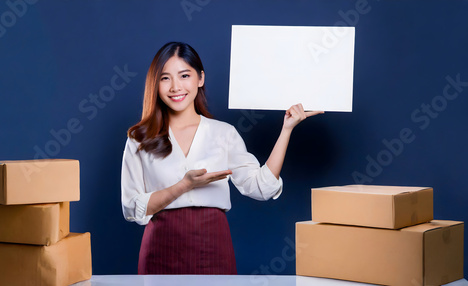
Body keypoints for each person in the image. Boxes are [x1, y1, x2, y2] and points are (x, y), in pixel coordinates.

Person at [121, 42, 323, 275]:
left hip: (213, 247)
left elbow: (261, 187)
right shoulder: (139, 138)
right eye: (165, 78)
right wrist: (184, 186)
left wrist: (287, 129)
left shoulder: (223, 133)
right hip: (161, 248)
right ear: (155, 84)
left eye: (184, 75)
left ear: (200, 78)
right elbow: (131, 207)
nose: (176, 87)